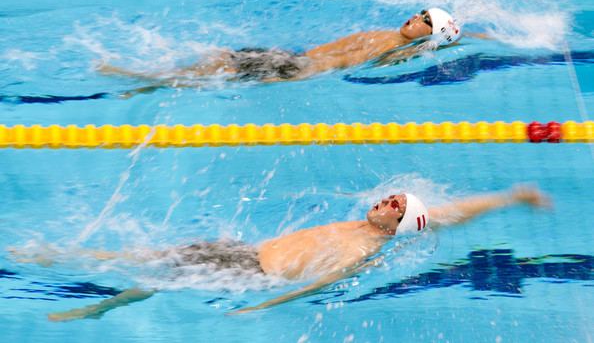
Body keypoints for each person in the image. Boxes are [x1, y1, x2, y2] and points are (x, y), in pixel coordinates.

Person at [19, 185, 549, 321]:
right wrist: (508, 197)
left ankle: (93, 306)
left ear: (396, 226)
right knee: (153, 254)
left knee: (162, 276)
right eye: (392, 196)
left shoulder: (363, 250)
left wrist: (259, 308)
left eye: (394, 204)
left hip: (253, 275)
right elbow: (451, 211)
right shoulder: (363, 223)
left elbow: (313, 285)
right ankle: (66, 256)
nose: (385, 200)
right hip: (241, 251)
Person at [97, 8, 464, 97]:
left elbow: (336, 61)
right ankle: (144, 81)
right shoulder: (383, 34)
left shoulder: (398, 51)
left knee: (218, 69)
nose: (415, 18)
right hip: (294, 60)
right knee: (220, 65)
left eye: (425, 21)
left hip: (296, 67)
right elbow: (330, 51)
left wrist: (446, 40)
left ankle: (141, 80)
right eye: (421, 12)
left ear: (427, 37)